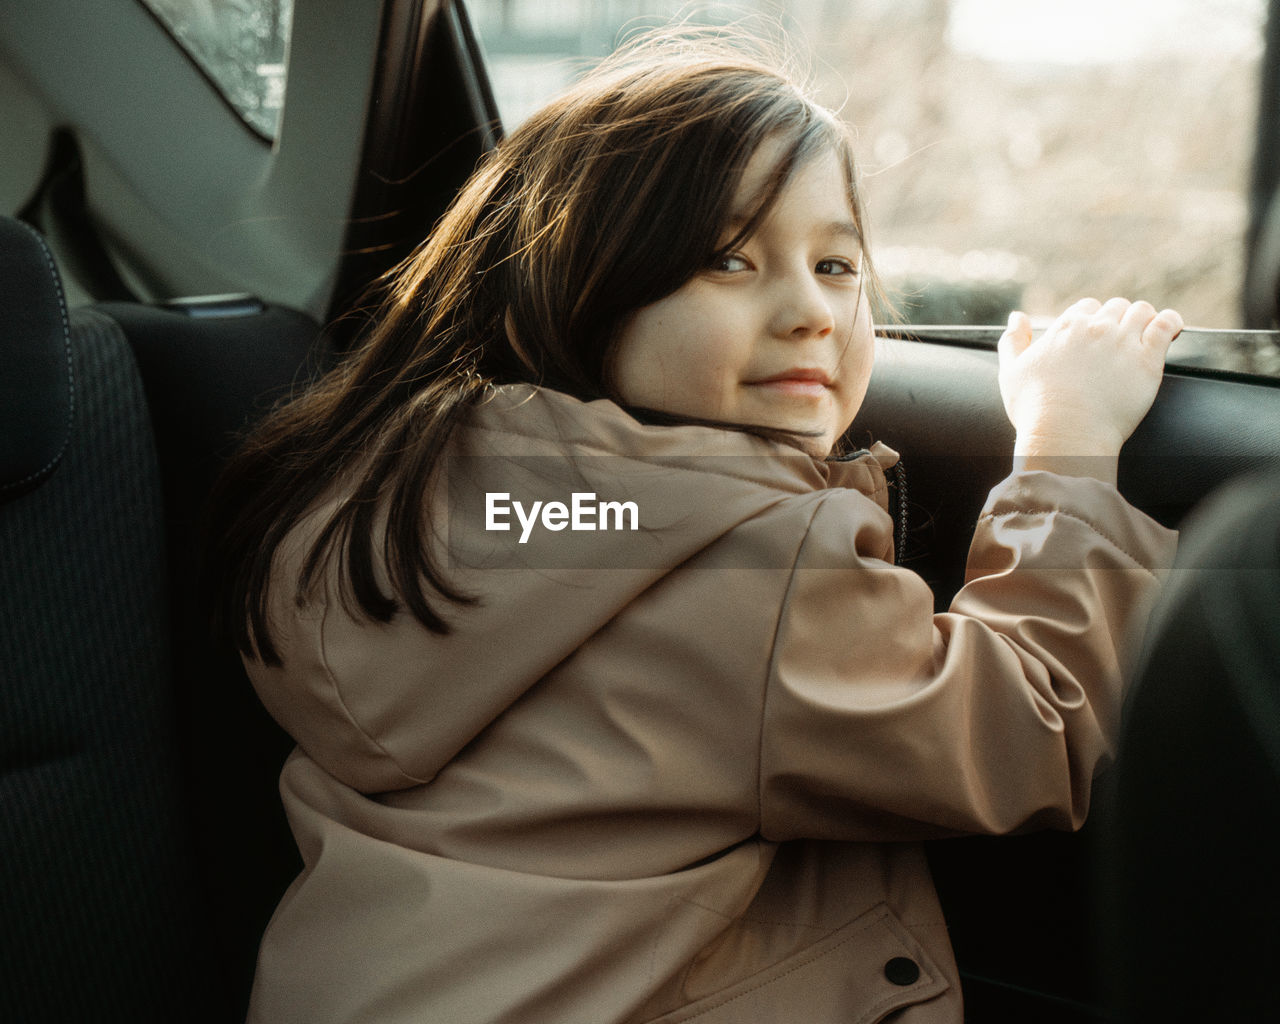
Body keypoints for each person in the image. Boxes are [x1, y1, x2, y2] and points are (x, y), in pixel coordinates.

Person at [209, 28, 1182, 1024]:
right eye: (728, 259)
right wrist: (1066, 440)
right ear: (575, 282)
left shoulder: (394, 497)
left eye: (836, 265)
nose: (808, 309)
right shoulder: (748, 570)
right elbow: (1035, 730)